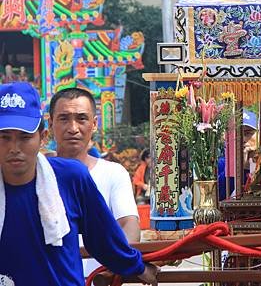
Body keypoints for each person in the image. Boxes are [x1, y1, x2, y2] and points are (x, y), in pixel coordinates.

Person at [0, 82, 158, 286]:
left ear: (42, 137)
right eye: (4, 137)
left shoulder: (71, 177)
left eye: (24, 137)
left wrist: (137, 267)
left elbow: (103, 239)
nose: (14, 148)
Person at [49, 87, 140, 276]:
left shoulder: (113, 173)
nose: (73, 128)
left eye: (81, 118)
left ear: (94, 123)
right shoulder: (36, 175)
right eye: (64, 118)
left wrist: (118, 266)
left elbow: (128, 225)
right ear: (50, 124)